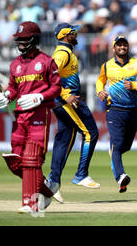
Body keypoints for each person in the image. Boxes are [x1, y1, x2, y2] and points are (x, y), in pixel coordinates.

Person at [0, 21, 61, 215]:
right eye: (19, 40)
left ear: (35, 39)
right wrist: (6, 96)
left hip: (39, 113)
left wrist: (40, 96)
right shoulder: (15, 64)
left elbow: (56, 87)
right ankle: (47, 190)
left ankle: (30, 203)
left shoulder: (47, 61)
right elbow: (14, 88)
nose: (21, 43)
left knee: (32, 158)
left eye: (24, 39)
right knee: (16, 161)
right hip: (20, 116)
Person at [47, 23, 100, 203]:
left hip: (63, 101)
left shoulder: (67, 52)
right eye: (73, 32)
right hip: (67, 101)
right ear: (64, 35)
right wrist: (65, 95)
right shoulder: (62, 53)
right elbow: (49, 75)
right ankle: (81, 174)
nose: (76, 34)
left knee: (65, 138)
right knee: (90, 133)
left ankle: (53, 182)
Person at [96, 35, 137, 193]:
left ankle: (114, 151)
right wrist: (100, 91)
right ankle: (120, 176)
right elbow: (100, 80)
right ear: (113, 48)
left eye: (124, 45)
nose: (122, 47)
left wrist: (135, 85)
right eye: (119, 45)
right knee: (116, 143)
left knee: (124, 146)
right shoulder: (107, 66)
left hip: (133, 110)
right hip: (114, 110)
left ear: (128, 47)